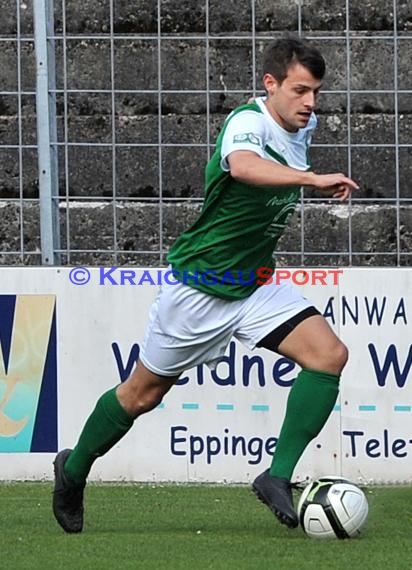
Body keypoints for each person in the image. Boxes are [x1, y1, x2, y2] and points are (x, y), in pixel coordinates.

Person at [52, 37, 359, 533]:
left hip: (255, 284)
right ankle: (72, 469)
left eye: (316, 93)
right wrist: (313, 179)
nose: (310, 103)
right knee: (141, 395)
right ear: (270, 84)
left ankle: (276, 477)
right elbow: (242, 167)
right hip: (200, 290)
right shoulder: (247, 123)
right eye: (301, 90)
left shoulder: (305, 125)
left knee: (329, 355)